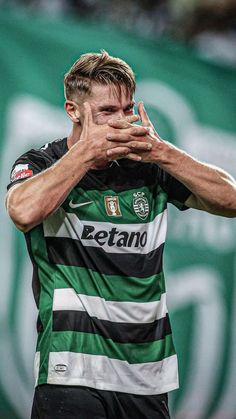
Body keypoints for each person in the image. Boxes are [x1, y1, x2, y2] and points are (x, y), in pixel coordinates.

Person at [5, 50, 236, 419]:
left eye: (126, 109)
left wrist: (163, 152)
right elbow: (23, 211)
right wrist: (85, 154)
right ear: (73, 110)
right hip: (71, 369)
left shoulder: (148, 168)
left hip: (147, 375)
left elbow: (231, 199)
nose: (121, 121)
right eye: (107, 112)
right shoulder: (41, 163)